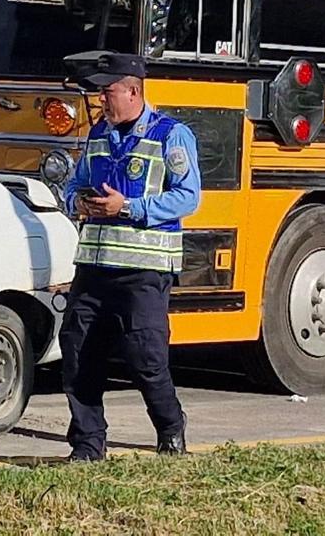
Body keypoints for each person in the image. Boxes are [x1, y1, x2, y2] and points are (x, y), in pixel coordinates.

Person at [61, 52, 201, 462]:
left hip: (145, 269)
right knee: (78, 352)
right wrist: (77, 202)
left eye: (109, 93)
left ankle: (170, 429)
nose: (103, 101)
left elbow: (189, 197)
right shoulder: (99, 134)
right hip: (94, 268)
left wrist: (129, 207)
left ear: (134, 91)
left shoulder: (171, 135)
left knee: (146, 357)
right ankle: (88, 446)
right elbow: (77, 184)